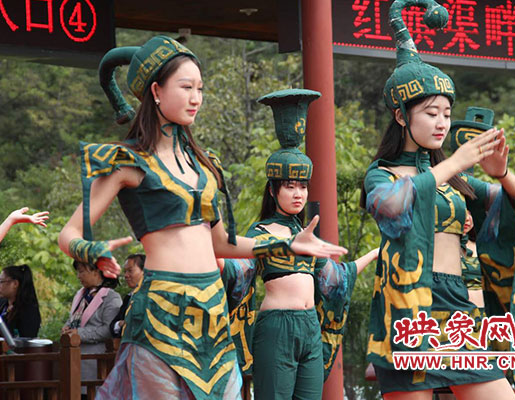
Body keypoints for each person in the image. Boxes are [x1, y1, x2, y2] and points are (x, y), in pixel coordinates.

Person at [57, 35, 346, 400]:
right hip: (162, 312)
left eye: (200, 88)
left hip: (212, 314)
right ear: (156, 91)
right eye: (186, 87)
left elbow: (220, 243)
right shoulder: (128, 161)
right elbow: (69, 233)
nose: (196, 98)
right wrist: (91, 249)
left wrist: (286, 244)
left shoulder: (203, 164)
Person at [360, 1, 515, 398]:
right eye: (431, 113)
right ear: (401, 116)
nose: (442, 122)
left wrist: (502, 174)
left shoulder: (454, 179)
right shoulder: (383, 174)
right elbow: (390, 206)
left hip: (458, 305)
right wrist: (454, 163)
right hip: (408, 306)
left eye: (446, 113)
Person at [219, 89, 379, 400]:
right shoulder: (259, 231)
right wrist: (216, 256)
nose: (298, 194)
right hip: (276, 327)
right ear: (272, 190)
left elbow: (336, 278)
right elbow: (238, 269)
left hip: (310, 328)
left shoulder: (307, 234)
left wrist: (374, 254)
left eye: (302, 187)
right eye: (289, 186)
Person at [62, 260, 122, 395]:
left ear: (96, 271)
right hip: (73, 361)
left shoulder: (111, 297)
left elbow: (108, 330)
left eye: (82, 271)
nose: (78, 276)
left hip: (94, 364)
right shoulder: (81, 295)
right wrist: (66, 327)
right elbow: (73, 318)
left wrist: (79, 333)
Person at [110, 254, 145, 338]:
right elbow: (112, 326)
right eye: (125, 271)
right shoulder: (129, 297)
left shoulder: (152, 298)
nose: (126, 275)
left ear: (144, 271)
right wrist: (120, 324)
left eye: (130, 271)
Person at [0, 265, 41, 338]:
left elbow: (26, 338)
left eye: (1, 282)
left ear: (15, 284)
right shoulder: (3, 304)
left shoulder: (28, 311)